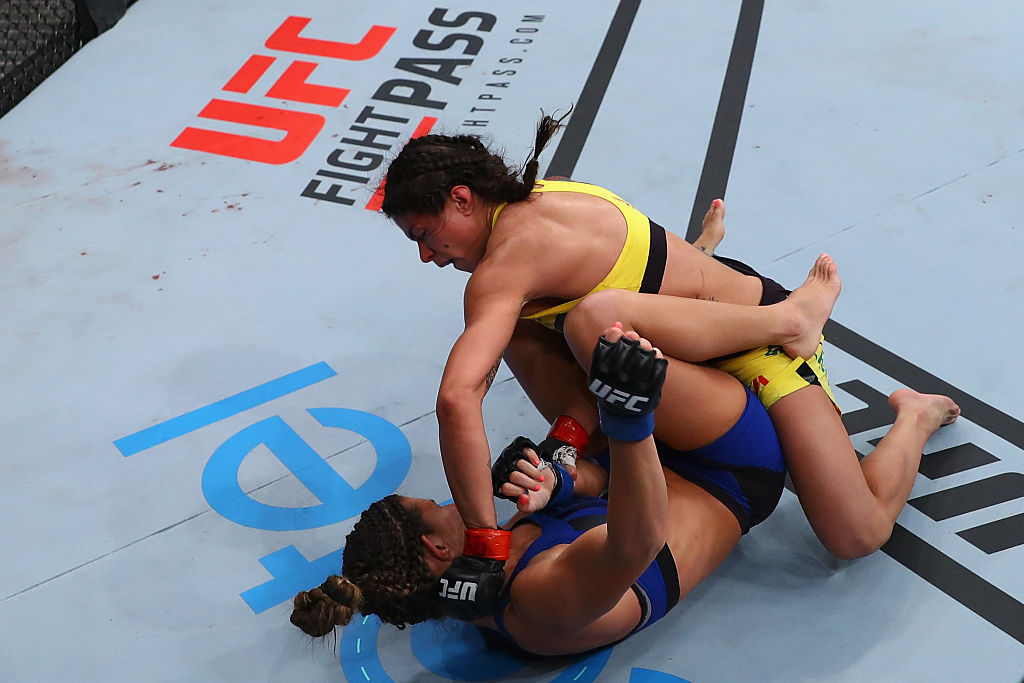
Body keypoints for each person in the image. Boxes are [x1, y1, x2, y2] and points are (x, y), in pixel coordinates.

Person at [378, 113, 960, 583]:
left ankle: (895, 400)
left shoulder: (509, 263)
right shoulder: (527, 204)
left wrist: (483, 542)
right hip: (682, 358)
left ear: (461, 199)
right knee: (534, 330)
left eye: (424, 236)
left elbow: (458, 398)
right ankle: (604, 421)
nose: (428, 257)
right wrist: (566, 442)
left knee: (853, 534)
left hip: (752, 343)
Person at [291, 324, 790, 654]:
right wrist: (627, 416)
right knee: (598, 328)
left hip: (656, 461)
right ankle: (779, 319)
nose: (448, 499)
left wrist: (566, 478)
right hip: (731, 472)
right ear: (435, 546)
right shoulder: (537, 597)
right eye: (434, 505)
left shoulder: (486, 568)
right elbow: (638, 541)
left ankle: (695, 299)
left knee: (531, 326)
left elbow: (611, 485)